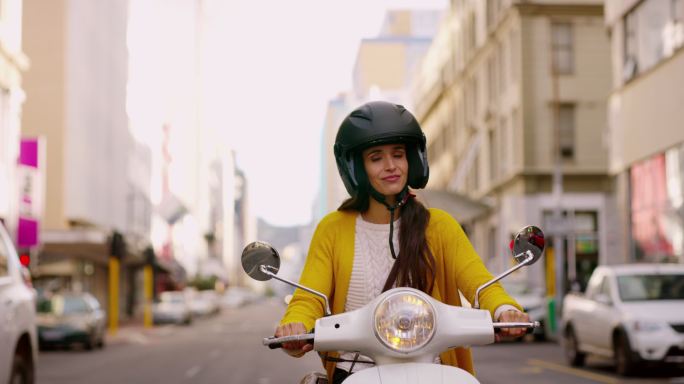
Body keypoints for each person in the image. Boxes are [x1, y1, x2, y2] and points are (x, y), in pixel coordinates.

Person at [275, 101, 529, 383]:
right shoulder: (333, 229)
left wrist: (504, 310)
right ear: (357, 167)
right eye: (376, 158)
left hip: (433, 372)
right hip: (357, 373)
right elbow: (310, 297)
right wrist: (293, 324)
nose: (391, 166)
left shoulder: (440, 225)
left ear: (413, 160)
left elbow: (480, 283)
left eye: (398, 154)